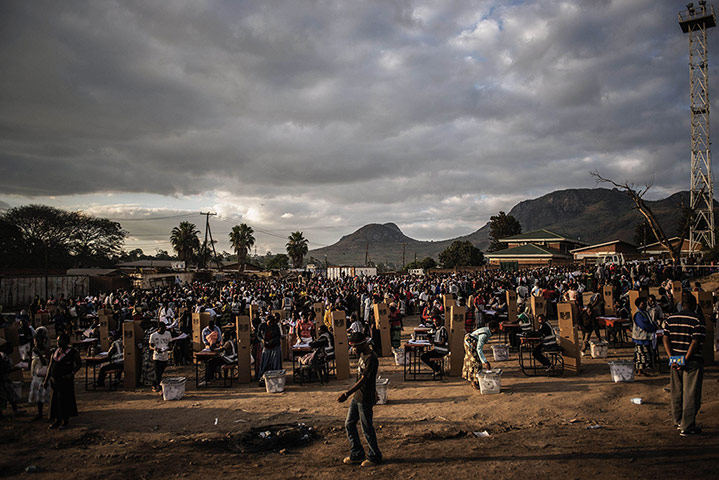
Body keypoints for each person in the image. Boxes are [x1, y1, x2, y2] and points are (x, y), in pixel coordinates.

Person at [663, 292, 706, 436]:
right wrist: (686, 359)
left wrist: (672, 358)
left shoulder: (671, 319)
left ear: (681, 304)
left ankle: (678, 420)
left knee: (677, 392)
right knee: (691, 393)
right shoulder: (697, 320)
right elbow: (695, 341)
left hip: (675, 360)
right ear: (694, 305)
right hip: (692, 361)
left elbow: (665, 338)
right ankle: (687, 426)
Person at [337, 332, 382, 467]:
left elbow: (364, 380)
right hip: (358, 397)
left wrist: (347, 394)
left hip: (364, 398)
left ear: (363, 344)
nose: (353, 350)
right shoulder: (362, 355)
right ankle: (357, 453)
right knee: (349, 424)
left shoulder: (371, 358)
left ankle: (375, 456)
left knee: (366, 428)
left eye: (355, 347)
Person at [45, 333, 81, 429]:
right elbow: (50, 367)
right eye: (57, 341)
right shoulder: (55, 352)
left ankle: (65, 421)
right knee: (55, 401)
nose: (58, 343)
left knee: (64, 400)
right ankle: (57, 420)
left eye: (60, 341)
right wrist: (46, 379)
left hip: (65, 381)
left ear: (66, 342)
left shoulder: (73, 352)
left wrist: (72, 373)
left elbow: (79, 364)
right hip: (55, 381)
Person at [462, 321, 499, 390]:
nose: (498, 330)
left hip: (472, 341)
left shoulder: (488, 331)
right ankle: (474, 381)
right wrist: (485, 361)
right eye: (497, 328)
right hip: (470, 343)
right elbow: (479, 349)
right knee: (475, 362)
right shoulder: (484, 335)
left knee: (473, 360)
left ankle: (474, 380)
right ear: (493, 329)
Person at [28, 326, 51, 420]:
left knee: (46, 396)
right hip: (36, 377)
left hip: (44, 377)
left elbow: (47, 363)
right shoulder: (34, 350)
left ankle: (51, 413)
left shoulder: (46, 350)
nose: (36, 342)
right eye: (35, 340)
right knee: (38, 397)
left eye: (38, 340)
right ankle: (40, 414)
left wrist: (40, 354)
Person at [632, 297, 656, 376]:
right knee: (641, 355)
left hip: (646, 337)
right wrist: (653, 328)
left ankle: (643, 370)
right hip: (640, 338)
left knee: (645, 355)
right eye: (643, 304)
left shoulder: (645, 313)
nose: (645, 305)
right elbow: (644, 325)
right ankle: (640, 371)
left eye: (645, 304)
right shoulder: (638, 314)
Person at [0, 338, 23, 419]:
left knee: (11, 395)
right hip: (2, 380)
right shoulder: (3, 356)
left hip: (4, 379)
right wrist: (16, 368)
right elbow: (4, 370)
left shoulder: (4, 355)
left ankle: (14, 411)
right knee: (5, 396)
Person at [257, 314, 282, 385]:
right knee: (264, 362)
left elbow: (278, 336)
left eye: (272, 322)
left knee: (275, 363)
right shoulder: (262, 326)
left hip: (275, 346)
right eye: (269, 322)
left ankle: (277, 377)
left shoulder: (276, 327)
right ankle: (263, 376)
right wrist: (262, 340)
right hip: (266, 347)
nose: (270, 324)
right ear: (266, 321)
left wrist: (273, 340)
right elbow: (258, 335)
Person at [149, 321, 172, 393]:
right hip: (157, 356)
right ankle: (158, 386)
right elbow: (150, 346)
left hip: (164, 356)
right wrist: (155, 349)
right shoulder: (153, 335)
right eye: (162, 329)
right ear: (158, 328)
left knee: (161, 371)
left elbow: (170, 343)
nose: (163, 330)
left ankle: (154, 383)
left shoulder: (168, 334)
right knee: (157, 371)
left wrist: (168, 348)